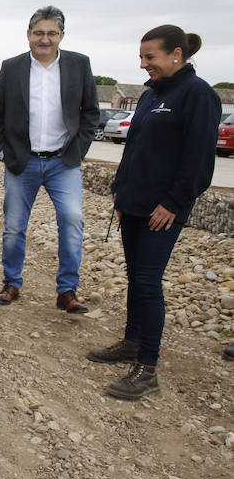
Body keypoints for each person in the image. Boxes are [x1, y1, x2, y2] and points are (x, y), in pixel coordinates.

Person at [88, 25, 220, 400]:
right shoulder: (149, 95)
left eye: (151, 57)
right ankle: (131, 342)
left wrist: (175, 203)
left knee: (148, 282)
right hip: (133, 203)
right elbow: (137, 148)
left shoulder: (198, 95)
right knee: (135, 277)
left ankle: (147, 369)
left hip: (162, 210)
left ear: (176, 54)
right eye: (142, 57)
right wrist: (120, 188)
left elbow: (198, 161)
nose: (144, 64)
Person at [0, 5, 100, 313]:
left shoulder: (79, 65)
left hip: (64, 163)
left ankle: (67, 291)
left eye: (51, 33)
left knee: (73, 220)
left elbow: (91, 113)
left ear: (61, 35)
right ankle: (11, 283)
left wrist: (79, 148)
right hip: (22, 162)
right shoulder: (12, 67)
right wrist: (0, 149)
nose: (45, 40)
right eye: (39, 33)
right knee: (13, 226)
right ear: (28, 35)